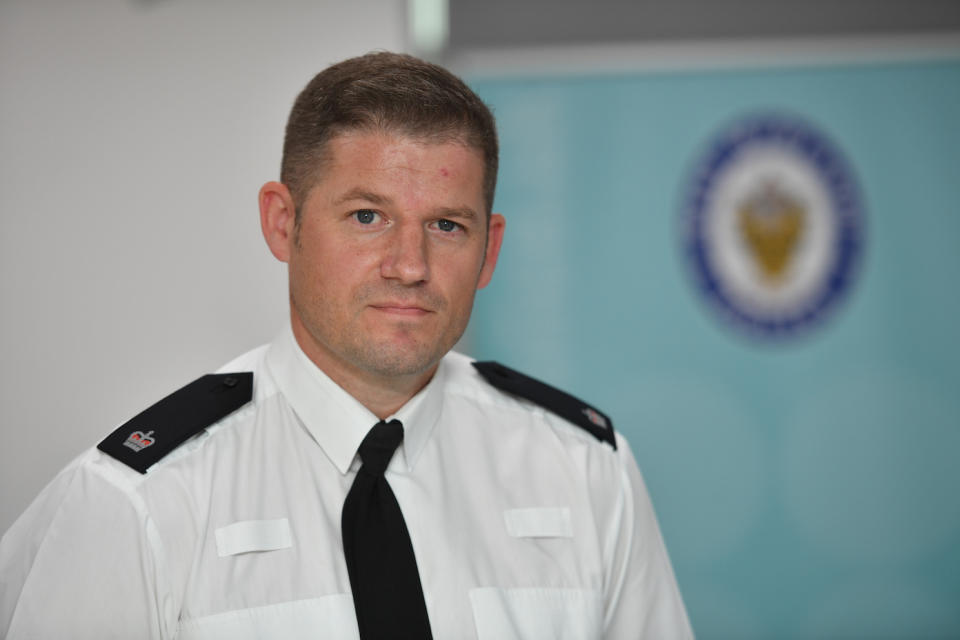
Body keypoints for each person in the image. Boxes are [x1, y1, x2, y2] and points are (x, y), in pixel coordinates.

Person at [0, 52, 693, 639]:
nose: (409, 264)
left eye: (448, 226)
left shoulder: (581, 469)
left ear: (490, 250)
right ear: (282, 222)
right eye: (368, 216)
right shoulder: (137, 506)